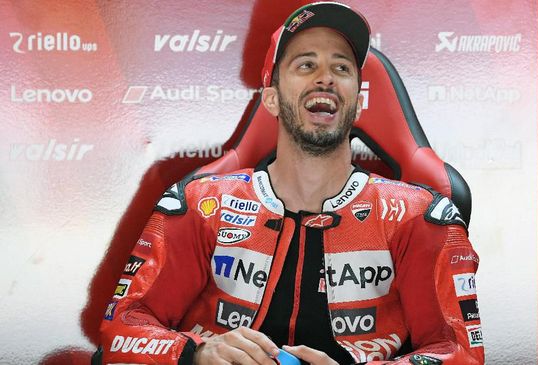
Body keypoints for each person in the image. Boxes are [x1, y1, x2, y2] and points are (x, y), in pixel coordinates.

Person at [95, 2, 484, 364]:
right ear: (272, 99)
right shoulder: (200, 204)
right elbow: (121, 330)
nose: (326, 78)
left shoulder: (419, 217)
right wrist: (196, 354)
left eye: (342, 68)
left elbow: (460, 353)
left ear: (359, 101)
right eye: (305, 65)